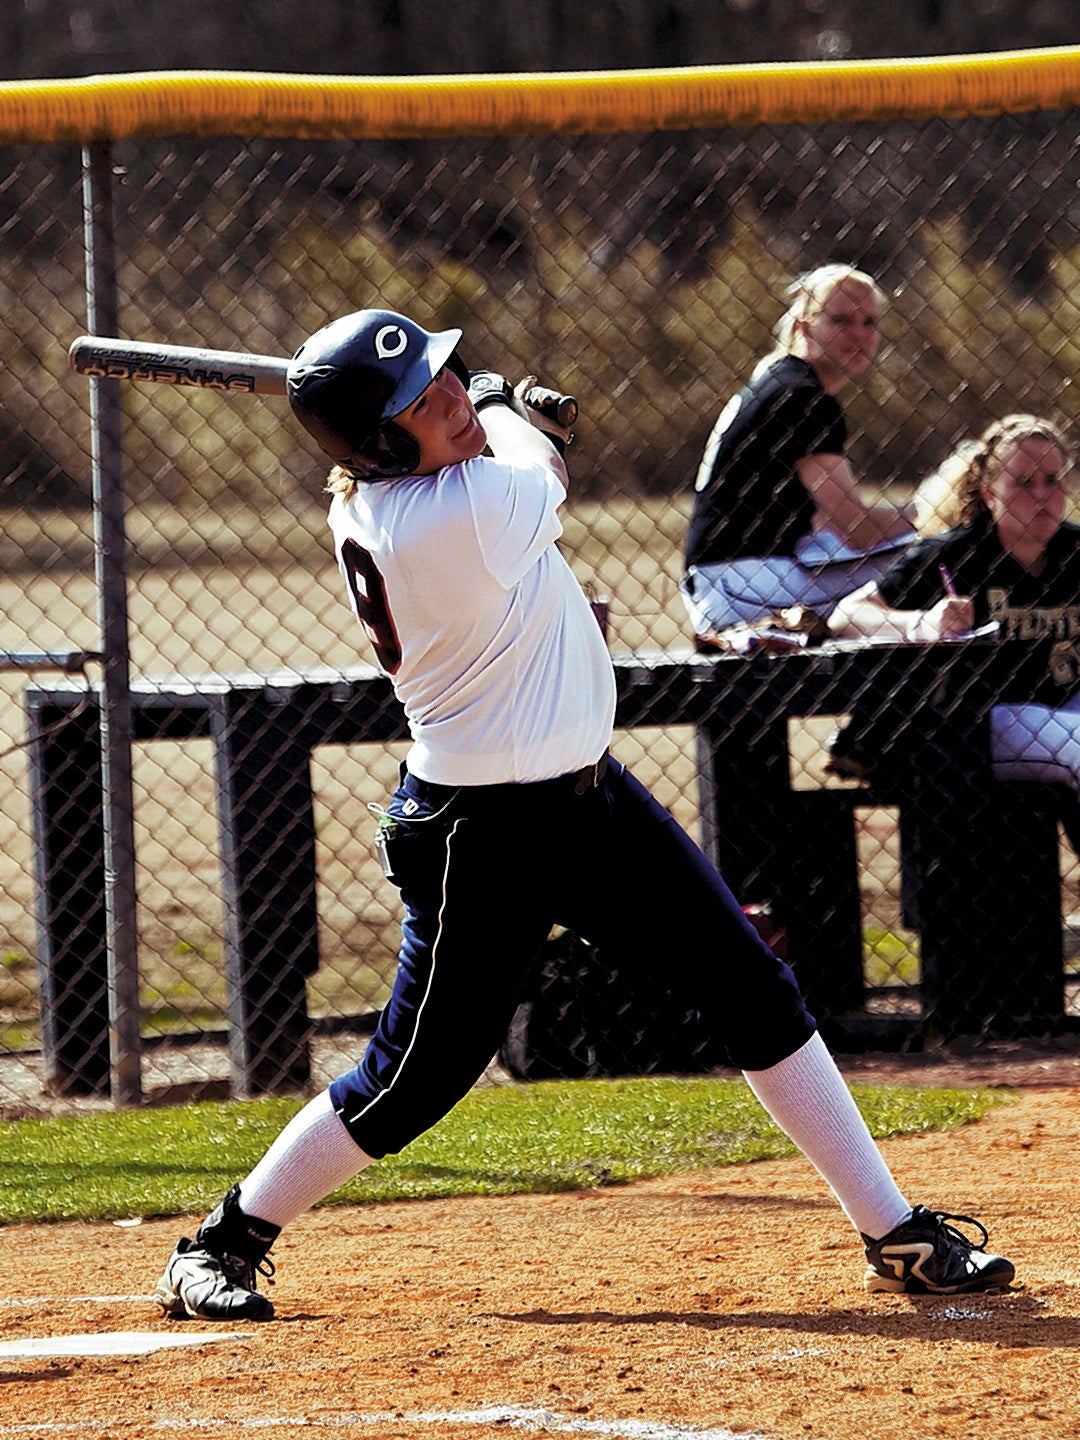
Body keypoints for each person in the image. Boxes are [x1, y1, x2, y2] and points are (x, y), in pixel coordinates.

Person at [152, 308, 1013, 1323]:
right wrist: (493, 400)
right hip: (481, 835)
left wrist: (467, 398)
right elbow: (540, 463)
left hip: (588, 799)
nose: (448, 403)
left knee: (753, 989)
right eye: (419, 404)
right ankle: (222, 1241)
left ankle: (894, 1231)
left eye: (444, 381)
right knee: (415, 1076)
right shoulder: (450, 511)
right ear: (379, 444)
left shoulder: (408, 489)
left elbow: (498, 441)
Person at [827, 414, 1080, 794]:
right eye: (1023, 482)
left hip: (1069, 704)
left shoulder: (1076, 550)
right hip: (989, 720)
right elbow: (846, 614)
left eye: (1052, 480)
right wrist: (923, 623)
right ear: (988, 493)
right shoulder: (956, 553)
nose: (1042, 494)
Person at [682, 263, 916, 645]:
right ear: (805, 327)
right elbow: (857, 529)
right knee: (925, 561)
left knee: (915, 564)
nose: (858, 334)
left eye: (869, 322)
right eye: (841, 320)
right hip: (744, 581)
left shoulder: (783, 380)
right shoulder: (802, 397)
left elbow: (826, 522)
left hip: (734, 578)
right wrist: (934, 512)